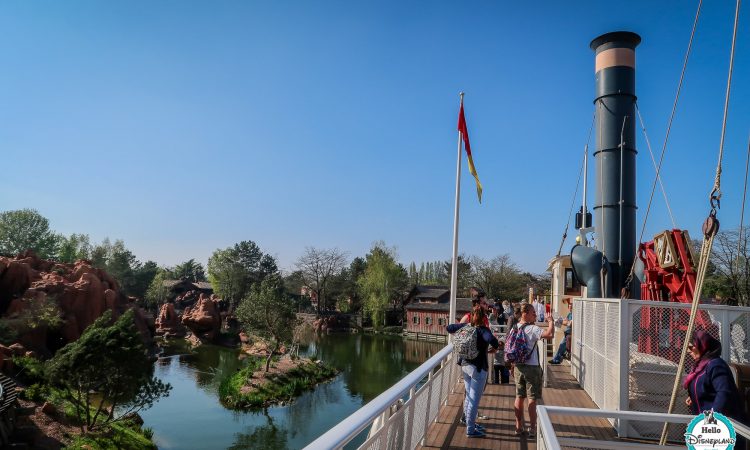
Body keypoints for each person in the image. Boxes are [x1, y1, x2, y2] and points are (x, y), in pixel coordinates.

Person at [447, 306, 500, 438]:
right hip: (478, 368)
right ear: (484, 317)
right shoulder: (483, 330)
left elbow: (449, 328)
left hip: (465, 365)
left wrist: (463, 328)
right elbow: (493, 341)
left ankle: (469, 422)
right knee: (474, 401)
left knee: (469, 397)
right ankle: (470, 430)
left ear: (472, 315)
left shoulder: (466, 326)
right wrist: (494, 348)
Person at [684, 330, 745, 424]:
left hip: (719, 427)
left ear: (702, 345)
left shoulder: (716, 365)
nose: (688, 351)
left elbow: (724, 393)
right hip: (704, 423)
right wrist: (694, 397)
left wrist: (710, 420)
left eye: (691, 347)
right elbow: (705, 389)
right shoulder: (700, 367)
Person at [512, 302, 554, 437]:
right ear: (525, 314)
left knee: (519, 397)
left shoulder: (515, 327)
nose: (535, 315)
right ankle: (532, 429)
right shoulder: (533, 329)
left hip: (518, 366)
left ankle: (518, 427)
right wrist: (550, 322)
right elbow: (549, 335)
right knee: (532, 398)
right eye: (533, 313)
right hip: (532, 367)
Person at [550, 299, 573, 365]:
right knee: (561, 346)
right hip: (567, 333)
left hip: (570, 334)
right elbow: (566, 321)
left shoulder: (573, 314)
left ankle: (557, 360)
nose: (570, 308)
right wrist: (561, 321)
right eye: (569, 306)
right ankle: (557, 360)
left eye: (571, 306)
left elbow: (569, 323)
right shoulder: (570, 314)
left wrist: (560, 321)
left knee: (562, 346)